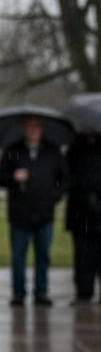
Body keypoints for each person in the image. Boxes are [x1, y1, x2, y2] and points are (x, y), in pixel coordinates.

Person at [0, 116, 69, 306]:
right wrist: (13, 177)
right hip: (20, 214)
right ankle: (19, 293)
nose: (33, 130)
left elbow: (65, 178)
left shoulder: (52, 151)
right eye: (29, 127)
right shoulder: (13, 150)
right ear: (23, 129)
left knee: (43, 255)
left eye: (36, 127)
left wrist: (54, 195)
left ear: (41, 129)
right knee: (19, 256)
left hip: (44, 213)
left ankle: (41, 292)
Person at [65, 128, 101, 304]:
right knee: (82, 256)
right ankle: (83, 292)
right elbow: (67, 176)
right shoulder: (75, 147)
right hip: (80, 212)